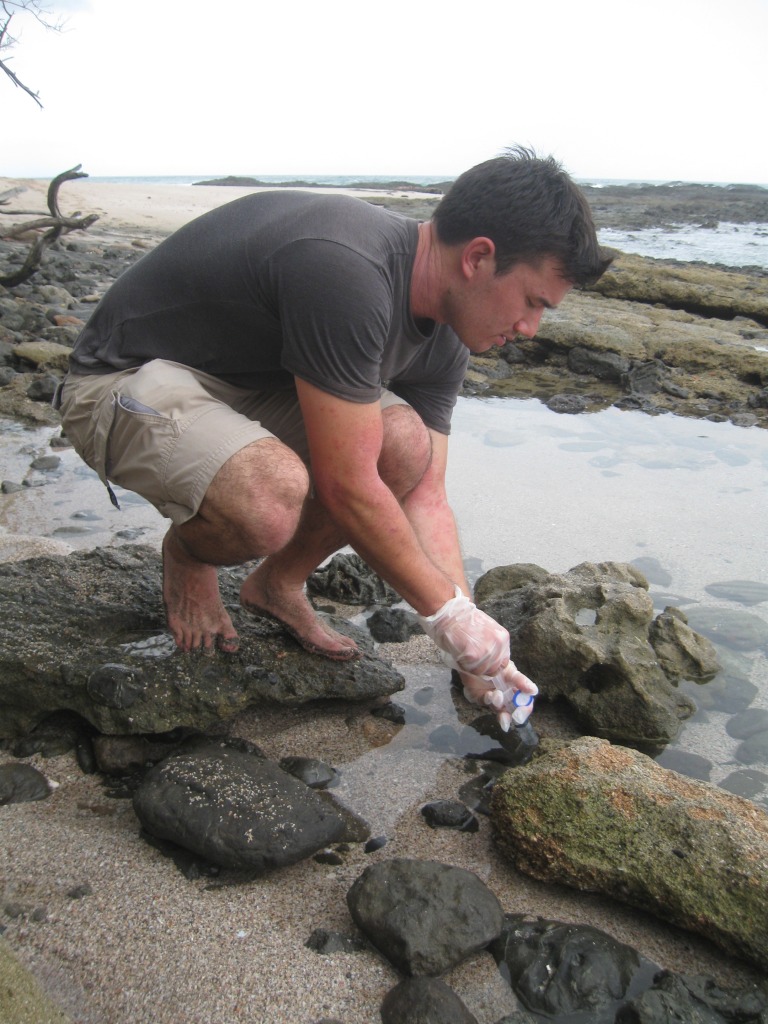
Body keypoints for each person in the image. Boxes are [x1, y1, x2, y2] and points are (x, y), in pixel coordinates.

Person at [56, 146, 611, 729]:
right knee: (270, 498)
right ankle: (190, 553)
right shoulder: (347, 267)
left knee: (405, 445)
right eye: (532, 302)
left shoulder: (446, 334)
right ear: (478, 257)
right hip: (120, 380)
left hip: (235, 387)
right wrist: (444, 615)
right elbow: (346, 486)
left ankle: (277, 583)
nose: (530, 328)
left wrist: (473, 649)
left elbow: (425, 497)